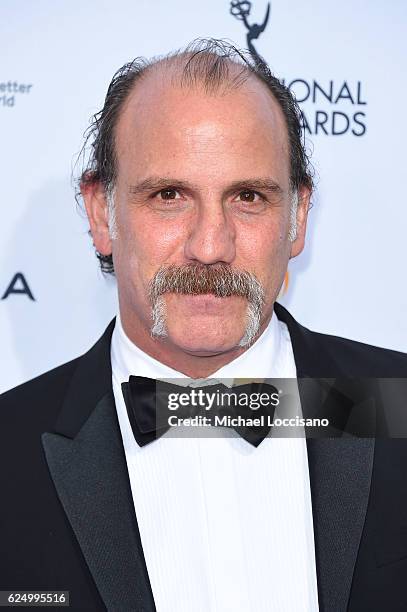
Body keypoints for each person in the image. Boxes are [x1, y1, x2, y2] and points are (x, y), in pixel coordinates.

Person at [1, 38, 407, 612]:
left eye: (248, 196)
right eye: (169, 196)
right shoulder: (9, 451)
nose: (210, 247)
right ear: (100, 213)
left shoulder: (397, 406)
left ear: (297, 217)